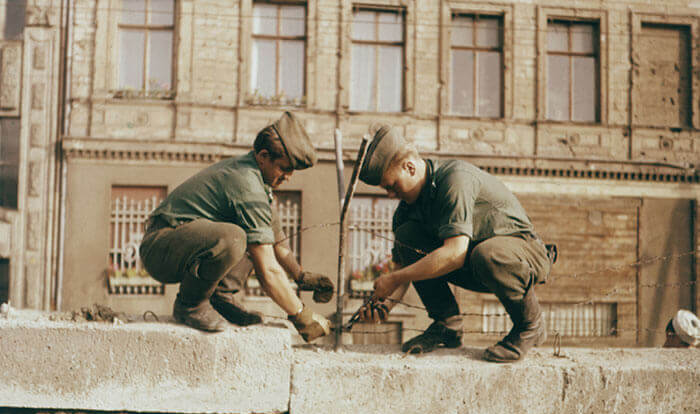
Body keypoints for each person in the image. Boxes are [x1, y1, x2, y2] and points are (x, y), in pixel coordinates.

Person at [356, 124, 555, 362]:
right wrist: (385, 306)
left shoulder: (454, 179)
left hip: (523, 254)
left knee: (487, 254)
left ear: (409, 167)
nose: (390, 194)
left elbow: (455, 253)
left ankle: (530, 325)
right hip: (476, 263)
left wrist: (393, 279)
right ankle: (447, 325)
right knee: (407, 236)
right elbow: (402, 271)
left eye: (392, 185)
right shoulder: (405, 213)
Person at [139, 112, 333, 341]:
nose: (288, 177)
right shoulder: (245, 183)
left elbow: (277, 244)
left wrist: (302, 276)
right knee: (235, 238)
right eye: (284, 168)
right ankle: (189, 306)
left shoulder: (259, 183)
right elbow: (268, 270)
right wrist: (302, 316)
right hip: (160, 247)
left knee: (255, 236)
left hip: (180, 244)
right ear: (263, 156)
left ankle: (222, 299)